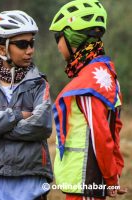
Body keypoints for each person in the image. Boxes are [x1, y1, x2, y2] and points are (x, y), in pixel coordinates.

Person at [0, 10, 53, 200]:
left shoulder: (39, 84)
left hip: (33, 187)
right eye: (23, 44)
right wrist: (17, 116)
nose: (30, 50)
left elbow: (42, 125)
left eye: (32, 43)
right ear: (1, 50)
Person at [49, 0, 127, 199]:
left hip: (86, 182)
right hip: (86, 183)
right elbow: (114, 128)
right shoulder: (105, 73)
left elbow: (101, 135)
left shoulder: (88, 84)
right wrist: (113, 174)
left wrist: (111, 179)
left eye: (58, 38)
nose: (57, 46)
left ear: (72, 38)